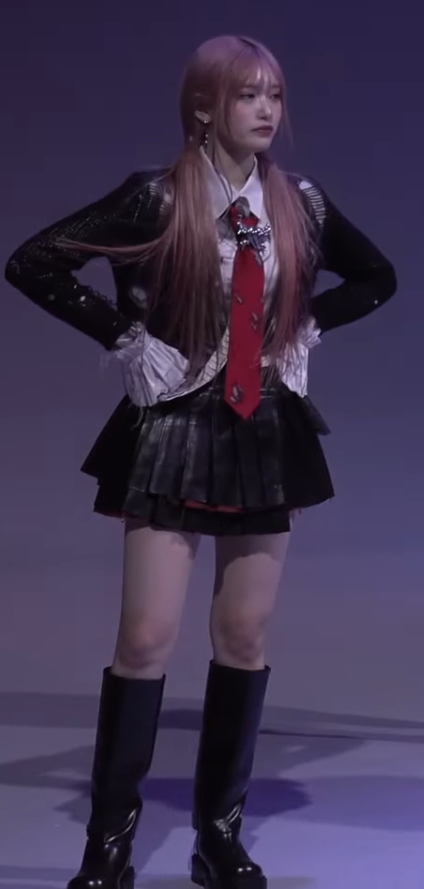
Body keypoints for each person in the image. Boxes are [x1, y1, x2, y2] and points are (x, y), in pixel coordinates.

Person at [4, 33, 396, 889]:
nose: (266, 110)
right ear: (203, 108)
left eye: (275, 95)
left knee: (244, 635)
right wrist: (123, 336)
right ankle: (108, 844)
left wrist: (304, 326)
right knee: (145, 636)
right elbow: (33, 262)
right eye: (248, 94)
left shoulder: (301, 203)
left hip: (264, 430)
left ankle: (220, 836)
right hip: (174, 429)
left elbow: (377, 277)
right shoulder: (156, 196)